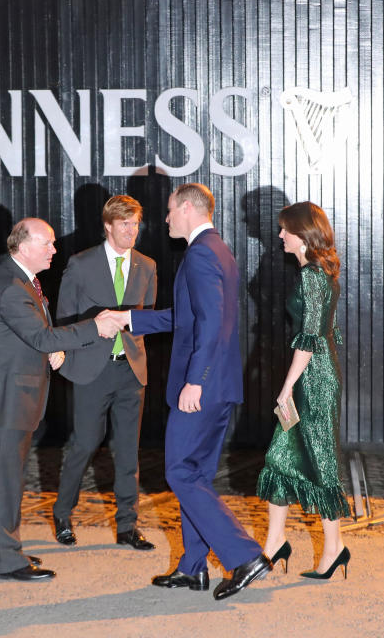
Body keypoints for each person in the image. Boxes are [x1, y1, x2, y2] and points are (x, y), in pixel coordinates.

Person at [106, 183, 270, 601]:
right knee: (194, 475)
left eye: (170, 211)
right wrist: (129, 319)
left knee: (180, 473)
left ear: (188, 209)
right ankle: (192, 568)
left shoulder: (199, 255)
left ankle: (244, 556)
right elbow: (190, 317)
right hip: (220, 385)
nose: (165, 219)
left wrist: (195, 380)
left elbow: (212, 326)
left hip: (202, 386)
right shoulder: (218, 250)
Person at [0, 217, 119, 581]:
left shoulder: (19, 280)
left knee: (7, 477)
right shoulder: (11, 287)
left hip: (11, 396)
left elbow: (30, 336)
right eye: (47, 243)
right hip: (5, 400)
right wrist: (95, 327)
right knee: (6, 479)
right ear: (22, 245)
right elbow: (42, 338)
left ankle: (0, 544)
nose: (55, 249)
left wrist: (45, 348)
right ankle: (8, 560)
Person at [52, 195, 158, 551]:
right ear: (108, 226)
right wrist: (66, 356)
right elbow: (64, 317)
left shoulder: (147, 265)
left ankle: (127, 525)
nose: (132, 230)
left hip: (130, 371)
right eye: (125, 224)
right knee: (84, 444)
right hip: (91, 372)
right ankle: (63, 514)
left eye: (136, 224)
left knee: (128, 451)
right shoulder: (80, 264)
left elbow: (149, 317)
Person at [255, 201, 352, 580]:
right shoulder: (319, 271)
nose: (280, 236)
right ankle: (274, 542)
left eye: (285, 230)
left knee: (321, 459)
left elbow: (309, 338)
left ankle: (334, 548)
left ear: (303, 234)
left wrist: (287, 386)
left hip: (313, 377)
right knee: (281, 457)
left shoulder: (312, 275)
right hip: (317, 370)